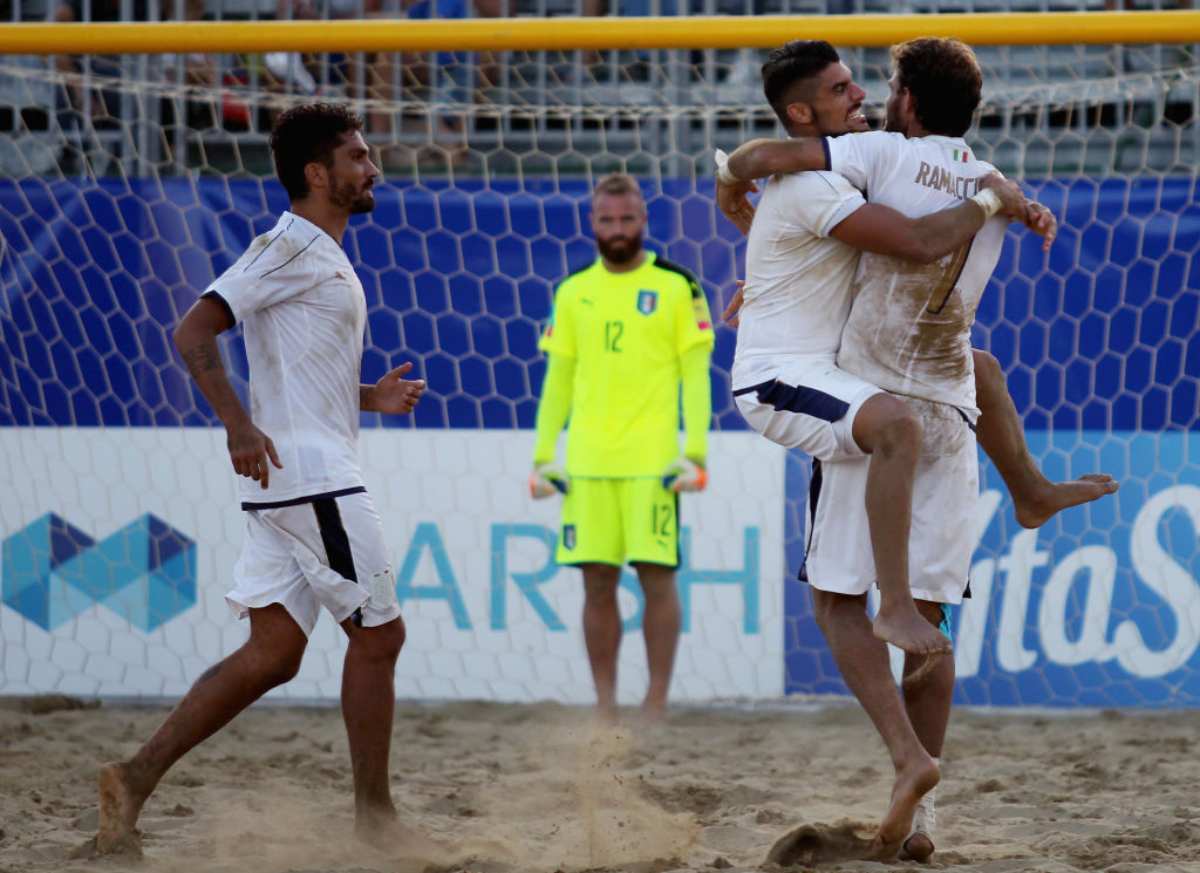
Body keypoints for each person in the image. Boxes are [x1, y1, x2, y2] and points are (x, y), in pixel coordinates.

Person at [717, 39, 1118, 861]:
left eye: (880, 83)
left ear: (907, 102)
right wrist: (1009, 199)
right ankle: (923, 815)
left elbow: (787, 171)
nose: (866, 92)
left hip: (873, 401)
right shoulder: (987, 177)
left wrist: (733, 188)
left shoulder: (878, 154)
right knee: (935, 622)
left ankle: (908, 756)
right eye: (843, 85)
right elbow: (861, 245)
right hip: (950, 412)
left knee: (838, 602)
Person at [94, 103, 429, 858]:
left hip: (294, 478)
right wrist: (236, 424)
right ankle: (375, 821)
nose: (371, 166)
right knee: (381, 636)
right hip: (312, 481)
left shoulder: (321, 252)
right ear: (318, 174)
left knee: (274, 653)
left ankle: (134, 774)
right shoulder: (288, 245)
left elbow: (301, 375)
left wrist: (370, 395)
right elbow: (192, 329)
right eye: (358, 156)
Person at [530, 172, 714, 724]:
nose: (616, 229)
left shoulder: (679, 286)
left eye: (626, 219)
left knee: (657, 578)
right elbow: (557, 382)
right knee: (596, 582)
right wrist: (543, 457)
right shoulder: (572, 292)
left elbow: (696, 377)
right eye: (606, 219)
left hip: (654, 465)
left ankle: (655, 702)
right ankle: (605, 705)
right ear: (592, 223)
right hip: (587, 466)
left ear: (644, 221)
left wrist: (696, 454)